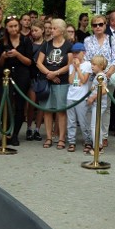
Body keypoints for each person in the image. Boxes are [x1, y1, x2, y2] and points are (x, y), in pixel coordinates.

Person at [36, 18, 72, 149]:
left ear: (62, 30)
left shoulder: (68, 45)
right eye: (50, 28)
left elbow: (70, 64)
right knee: (47, 110)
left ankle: (62, 138)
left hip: (62, 81)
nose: (51, 30)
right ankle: (49, 137)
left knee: (61, 111)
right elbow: (39, 62)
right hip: (47, 81)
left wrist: (56, 73)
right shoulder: (46, 44)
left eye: (54, 28)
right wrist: (49, 75)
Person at [83, 15, 115, 148]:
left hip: (107, 75)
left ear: (105, 25)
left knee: (106, 107)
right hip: (91, 76)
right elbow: (85, 58)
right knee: (91, 106)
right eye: (94, 25)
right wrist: (93, 71)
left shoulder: (111, 39)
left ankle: (103, 136)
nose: (98, 27)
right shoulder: (87, 40)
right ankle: (91, 137)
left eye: (100, 24)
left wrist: (107, 73)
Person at [0, 15, 33, 146]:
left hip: (22, 75)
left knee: (19, 106)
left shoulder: (26, 41)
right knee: (5, 104)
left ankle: (15, 135)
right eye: (10, 26)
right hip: (7, 75)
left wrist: (17, 54)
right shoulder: (3, 41)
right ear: (6, 27)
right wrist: (3, 55)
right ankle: (5, 134)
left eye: (15, 26)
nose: (13, 29)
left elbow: (29, 62)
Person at [66, 42, 92, 153]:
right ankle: (71, 141)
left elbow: (84, 80)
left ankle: (87, 141)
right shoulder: (71, 65)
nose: (75, 55)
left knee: (83, 121)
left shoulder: (87, 65)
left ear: (83, 53)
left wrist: (78, 68)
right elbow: (71, 81)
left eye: (77, 52)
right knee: (71, 121)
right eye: (73, 53)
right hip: (71, 96)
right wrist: (74, 67)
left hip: (81, 97)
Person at [26, 20, 45, 141]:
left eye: (36, 30)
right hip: (32, 75)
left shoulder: (47, 44)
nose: (33, 33)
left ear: (42, 30)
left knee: (41, 104)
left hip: (42, 76)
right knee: (31, 104)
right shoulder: (29, 44)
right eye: (32, 30)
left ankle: (37, 129)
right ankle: (29, 127)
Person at [87, 55, 109, 155]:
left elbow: (104, 90)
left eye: (94, 64)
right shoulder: (98, 75)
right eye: (92, 64)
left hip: (99, 103)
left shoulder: (101, 76)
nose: (92, 66)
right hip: (97, 103)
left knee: (94, 125)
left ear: (100, 66)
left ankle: (98, 147)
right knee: (96, 124)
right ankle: (98, 145)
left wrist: (93, 97)